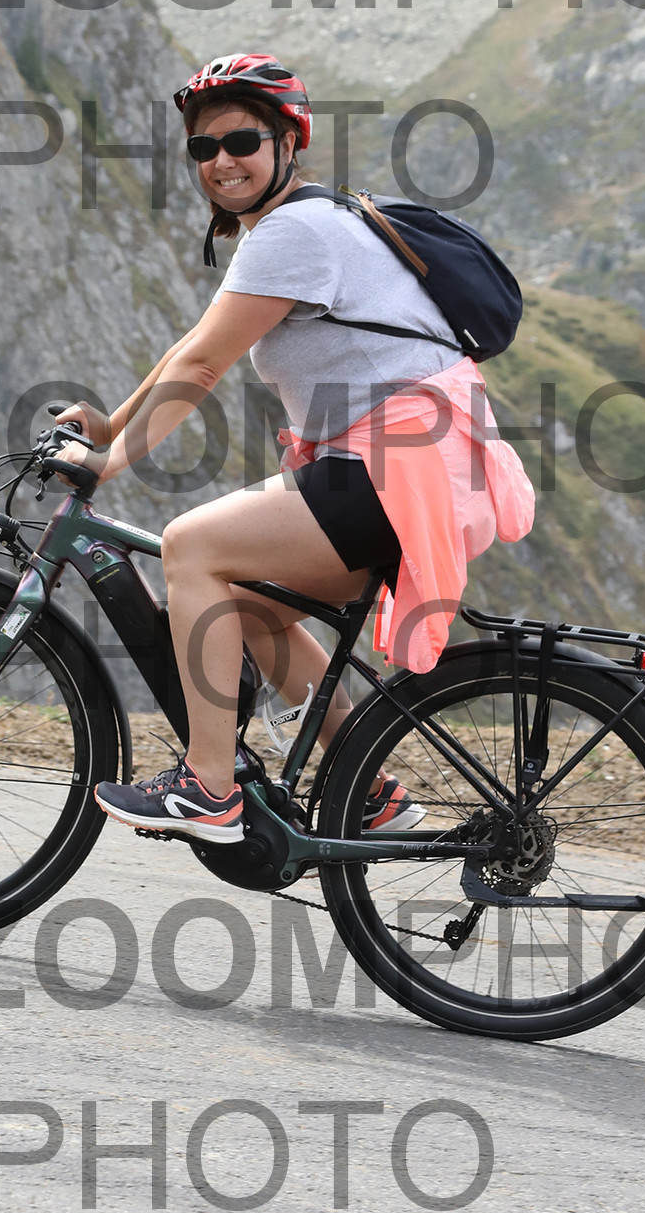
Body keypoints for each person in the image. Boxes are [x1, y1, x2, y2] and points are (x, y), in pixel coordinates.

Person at [55, 53, 534, 844]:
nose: (222, 161)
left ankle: (208, 789)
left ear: (287, 142)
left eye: (241, 141)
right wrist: (111, 427)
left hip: (402, 466)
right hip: (416, 466)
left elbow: (202, 368)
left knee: (190, 548)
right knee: (246, 605)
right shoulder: (295, 227)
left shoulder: (295, 231)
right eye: (204, 148)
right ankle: (366, 789)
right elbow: (191, 349)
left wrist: (110, 462)